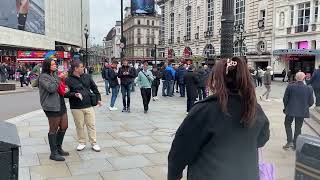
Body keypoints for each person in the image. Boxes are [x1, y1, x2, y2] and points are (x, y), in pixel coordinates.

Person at [167, 57, 270, 180]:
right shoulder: (254, 108)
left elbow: (180, 151)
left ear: (216, 79)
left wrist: (174, 175)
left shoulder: (204, 110)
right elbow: (263, 138)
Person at [65, 60, 102, 152]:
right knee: (79, 126)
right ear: (76, 69)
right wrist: (74, 94)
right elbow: (65, 93)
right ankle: (81, 142)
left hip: (88, 105)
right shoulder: (68, 80)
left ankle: (94, 143)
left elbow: (94, 88)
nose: (83, 68)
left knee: (91, 125)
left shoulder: (87, 76)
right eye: (81, 67)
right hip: (76, 107)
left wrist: (98, 99)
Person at [38, 58, 69, 161]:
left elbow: (59, 86)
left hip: (60, 103)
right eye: (52, 64)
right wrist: (59, 78)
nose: (55, 65)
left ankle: (59, 147)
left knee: (64, 126)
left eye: (55, 64)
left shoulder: (54, 75)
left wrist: (63, 79)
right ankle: (53, 153)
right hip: (51, 106)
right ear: (47, 66)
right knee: (53, 129)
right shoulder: (43, 77)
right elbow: (51, 88)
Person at [283, 72, 314, 150]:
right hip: (302, 111)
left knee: (287, 124)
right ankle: (295, 145)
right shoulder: (309, 88)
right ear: (304, 78)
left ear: (296, 78)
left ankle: (289, 141)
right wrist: (304, 107)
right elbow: (311, 102)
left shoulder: (290, 86)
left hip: (290, 109)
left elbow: (285, 99)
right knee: (298, 128)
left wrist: (286, 107)